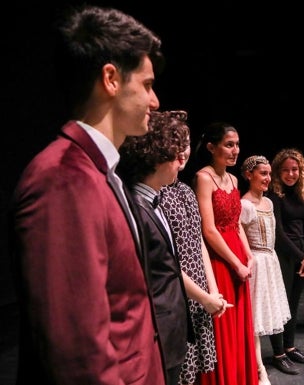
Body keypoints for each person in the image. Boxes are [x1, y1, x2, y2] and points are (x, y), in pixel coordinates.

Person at [9, 5, 167, 384]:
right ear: (111, 79)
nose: (155, 101)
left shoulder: (96, 172)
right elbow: (78, 358)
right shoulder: (63, 180)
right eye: (146, 85)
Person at [117, 111, 198, 385]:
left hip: (170, 335)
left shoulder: (156, 199)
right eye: (175, 155)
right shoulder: (135, 209)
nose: (180, 162)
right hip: (154, 338)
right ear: (156, 157)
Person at [154, 110, 231, 385]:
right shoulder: (155, 195)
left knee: (197, 370)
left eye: (186, 146)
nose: (183, 154)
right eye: (177, 146)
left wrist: (212, 290)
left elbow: (199, 242)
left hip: (200, 293)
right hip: (180, 293)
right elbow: (167, 260)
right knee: (178, 371)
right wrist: (203, 297)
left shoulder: (185, 191)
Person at [193, 122, 258, 385]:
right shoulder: (203, 178)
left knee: (240, 323)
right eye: (229, 144)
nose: (235, 150)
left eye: (237, 145)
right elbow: (208, 230)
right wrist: (235, 263)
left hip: (236, 256)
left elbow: (235, 223)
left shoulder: (233, 179)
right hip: (219, 259)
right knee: (223, 325)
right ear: (211, 147)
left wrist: (248, 255)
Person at [240, 155, 292, 385]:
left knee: (267, 314)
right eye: (263, 173)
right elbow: (238, 235)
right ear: (249, 175)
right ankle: (259, 368)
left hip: (271, 261)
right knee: (255, 320)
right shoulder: (244, 204)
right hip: (257, 262)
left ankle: (260, 363)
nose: (267, 178)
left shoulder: (269, 202)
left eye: (269, 174)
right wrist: (248, 259)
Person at [267, 148, 304, 374]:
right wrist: (301, 257)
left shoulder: (303, 192)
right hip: (282, 256)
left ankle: (290, 346)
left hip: (302, 256)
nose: (290, 174)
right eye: (285, 170)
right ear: (278, 172)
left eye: (295, 169)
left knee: (293, 305)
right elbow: (278, 233)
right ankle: (278, 353)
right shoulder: (274, 194)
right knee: (280, 305)